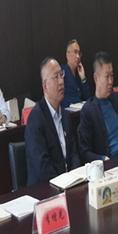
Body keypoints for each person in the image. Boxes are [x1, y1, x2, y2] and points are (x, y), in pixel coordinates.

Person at [26, 57, 81, 186]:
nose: (61, 81)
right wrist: (63, 184)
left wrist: (76, 178)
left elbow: (74, 154)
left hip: (69, 184)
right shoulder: (36, 119)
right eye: (55, 77)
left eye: (61, 75)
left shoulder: (65, 115)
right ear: (45, 86)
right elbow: (42, 167)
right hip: (45, 189)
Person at [79, 52, 118, 163]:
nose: (110, 81)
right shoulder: (88, 110)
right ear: (96, 78)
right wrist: (102, 159)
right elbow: (85, 152)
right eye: (107, 76)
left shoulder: (116, 98)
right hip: (112, 161)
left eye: (112, 75)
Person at [61, 39, 90, 109]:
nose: (78, 56)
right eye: (75, 52)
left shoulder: (78, 75)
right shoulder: (62, 71)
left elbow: (88, 98)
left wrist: (83, 78)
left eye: (79, 53)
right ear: (67, 55)